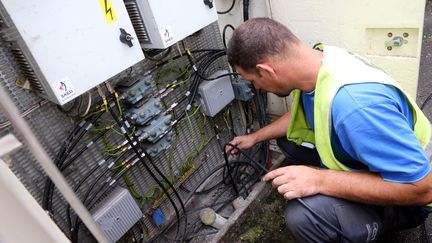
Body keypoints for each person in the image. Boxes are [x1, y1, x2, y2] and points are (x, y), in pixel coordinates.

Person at [226, 17, 432, 242]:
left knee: (303, 216)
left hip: (412, 197)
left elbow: (423, 189)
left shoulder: (356, 106)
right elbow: (301, 114)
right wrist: (254, 137)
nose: (256, 88)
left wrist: (319, 180)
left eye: (252, 81)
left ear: (266, 70)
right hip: (388, 160)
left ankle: (374, 225)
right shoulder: (319, 62)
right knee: (289, 143)